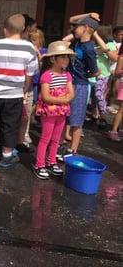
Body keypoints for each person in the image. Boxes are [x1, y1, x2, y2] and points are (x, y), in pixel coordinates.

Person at [0, 14, 38, 168]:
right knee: (10, 124)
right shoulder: (29, 48)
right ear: (23, 30)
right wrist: (25, 91)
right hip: (14, 95)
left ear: (5, 29)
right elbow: (30, 74)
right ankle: (6, 154)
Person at [32, 41, 75, 179]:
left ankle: (51, 161)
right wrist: (64, 100)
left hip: (61, 113)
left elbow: (71, 93)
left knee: (56, 138)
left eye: (67, 57)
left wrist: (64, 99)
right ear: (52, 59)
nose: (66, 60)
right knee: (45, 138)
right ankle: (39, 164)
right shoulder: (46, 75)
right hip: (49, 113)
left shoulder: (67, 75)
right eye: (63, 57)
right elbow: (46, 96)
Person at [60, 13, 100, 156]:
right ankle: (60, 144)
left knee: (76, 119)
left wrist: (84, 75)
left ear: (86, 28)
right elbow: (70, 22)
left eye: (77, 28)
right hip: (69, 83)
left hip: (81, 86)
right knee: (64, 115)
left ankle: (73, 149)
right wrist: (89, 14)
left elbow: (95, 72)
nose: (74, 29)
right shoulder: (77, 42)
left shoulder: (89, 49)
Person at [90, 26, 118, 129]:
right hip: (91, 75)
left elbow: (115, 58)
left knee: (98, 94)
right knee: (93, 97)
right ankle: (95, 115)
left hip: (102, 75)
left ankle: (103, 116)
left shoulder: (109, 44)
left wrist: (104, 50)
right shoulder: (93, 43)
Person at [107, 45, 123, 141]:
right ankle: (114, 130)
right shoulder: (121, 57)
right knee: (121, 109)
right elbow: (117, 72)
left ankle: (120, 129)